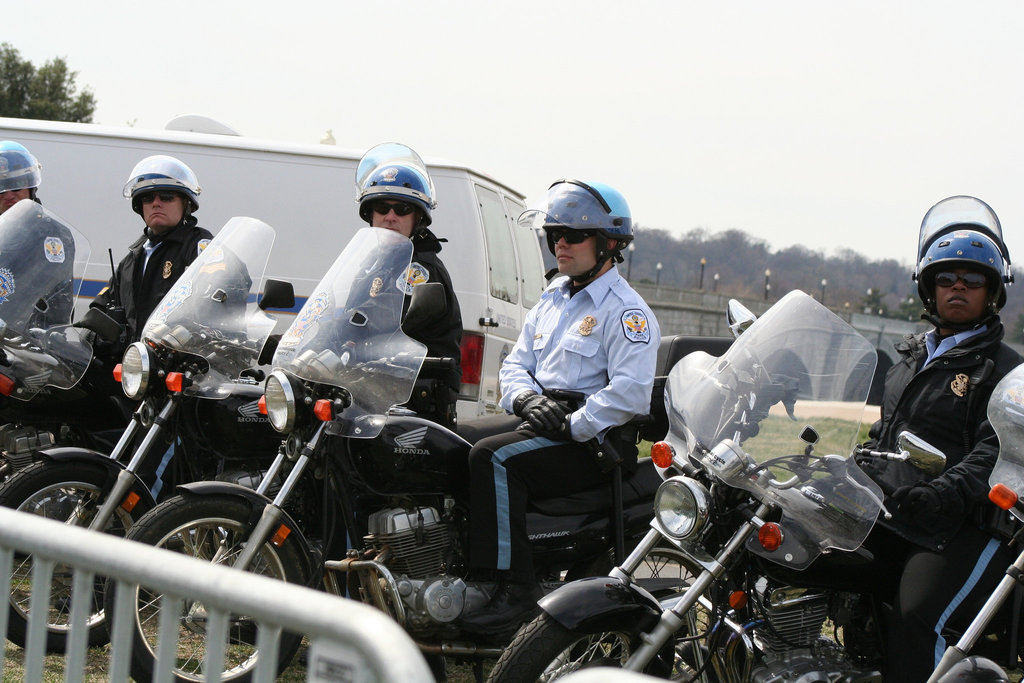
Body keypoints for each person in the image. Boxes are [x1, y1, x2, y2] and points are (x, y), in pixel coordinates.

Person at [460, 179, 660, 636]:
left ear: (608, 244)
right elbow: (515, 366)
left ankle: (512, 592)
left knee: (491, 458)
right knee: (451, 439)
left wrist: (573, 424)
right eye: (554, 235)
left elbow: (629, 392)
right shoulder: (552, 300)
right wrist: (528, 399)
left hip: (594, 442)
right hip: (540, 420)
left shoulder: (626, 312)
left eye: (572, 235)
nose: (560, 244)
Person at [856, 195, 1023, 681]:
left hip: (967, 526)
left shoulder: (1006, 372)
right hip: (898, 512)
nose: (958, 288)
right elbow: (884, 435)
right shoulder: (911, 358)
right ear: (929, 288)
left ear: (992, 291)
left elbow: (998, 451)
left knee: (917, 619)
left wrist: (942, 492)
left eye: (973, 280)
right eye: (947, 278)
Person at [355, 142, 462, 427]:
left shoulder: (421, 270)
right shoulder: (369, 265)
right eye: (381, 207)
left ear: (417, 218)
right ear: (371, 214)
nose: (390, 217)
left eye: (402, 209)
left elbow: (393, 324)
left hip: (413, 400)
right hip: (372, 390)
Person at [90, 155, 213, 356]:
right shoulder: (132, 258)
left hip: (179, 368)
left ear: (186, 203)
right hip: (133, 368)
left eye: (166, 196)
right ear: (140, 206)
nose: (156, 203)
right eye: (148, 198)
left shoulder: (201, 248)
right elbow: (101, 307)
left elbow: (222, 294)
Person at [0, 141, 43, 215]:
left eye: (17, 185)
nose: (9, 196)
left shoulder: (47, 225)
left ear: (31, 189)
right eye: (1, 187)